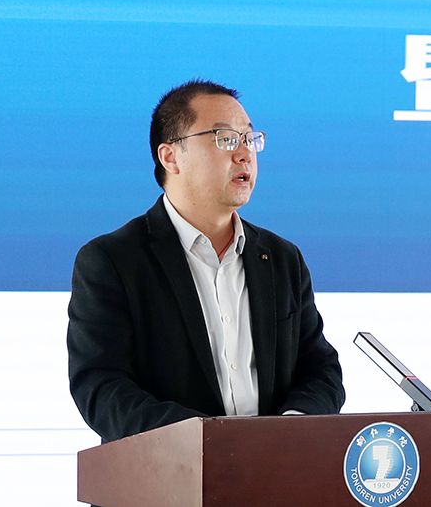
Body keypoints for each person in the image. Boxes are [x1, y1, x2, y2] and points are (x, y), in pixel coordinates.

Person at [67, 80, 345, 442]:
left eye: (249, 139)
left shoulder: (281, 258)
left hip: (276, 467)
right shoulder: (113, 261)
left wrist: (293, 426)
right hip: (169, 470)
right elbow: (101, 387)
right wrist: (207, 440)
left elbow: (320, 369)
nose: (244, 154)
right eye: (225, 139)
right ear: (170, 157)